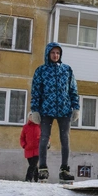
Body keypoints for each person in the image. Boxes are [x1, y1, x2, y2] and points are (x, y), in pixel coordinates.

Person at [30, 42, 80, 183]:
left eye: (58, 53)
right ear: (48, 54)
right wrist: (35, 110)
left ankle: (64, 169)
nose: (55, 55)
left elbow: (73, 90)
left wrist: (76, 107)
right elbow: (36, 92)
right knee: (44, 138)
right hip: (46, 110)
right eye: (53, 53)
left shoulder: (67, 70)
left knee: (65, 139)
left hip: (64, 109)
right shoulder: (41, 71)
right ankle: (43, 169)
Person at [20, 112, 41, 182]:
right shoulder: (25, 127)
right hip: (28, 149)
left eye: (33, 116)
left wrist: (46, 144)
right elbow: (22, 138)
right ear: (28, 117)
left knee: (32, 165)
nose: (32, 118)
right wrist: (24, 145)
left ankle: (28, 178)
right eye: (30, 116)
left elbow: (45, 136)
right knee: (33, 165)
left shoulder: (39, 126)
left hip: (37, 149)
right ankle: (36, 178)